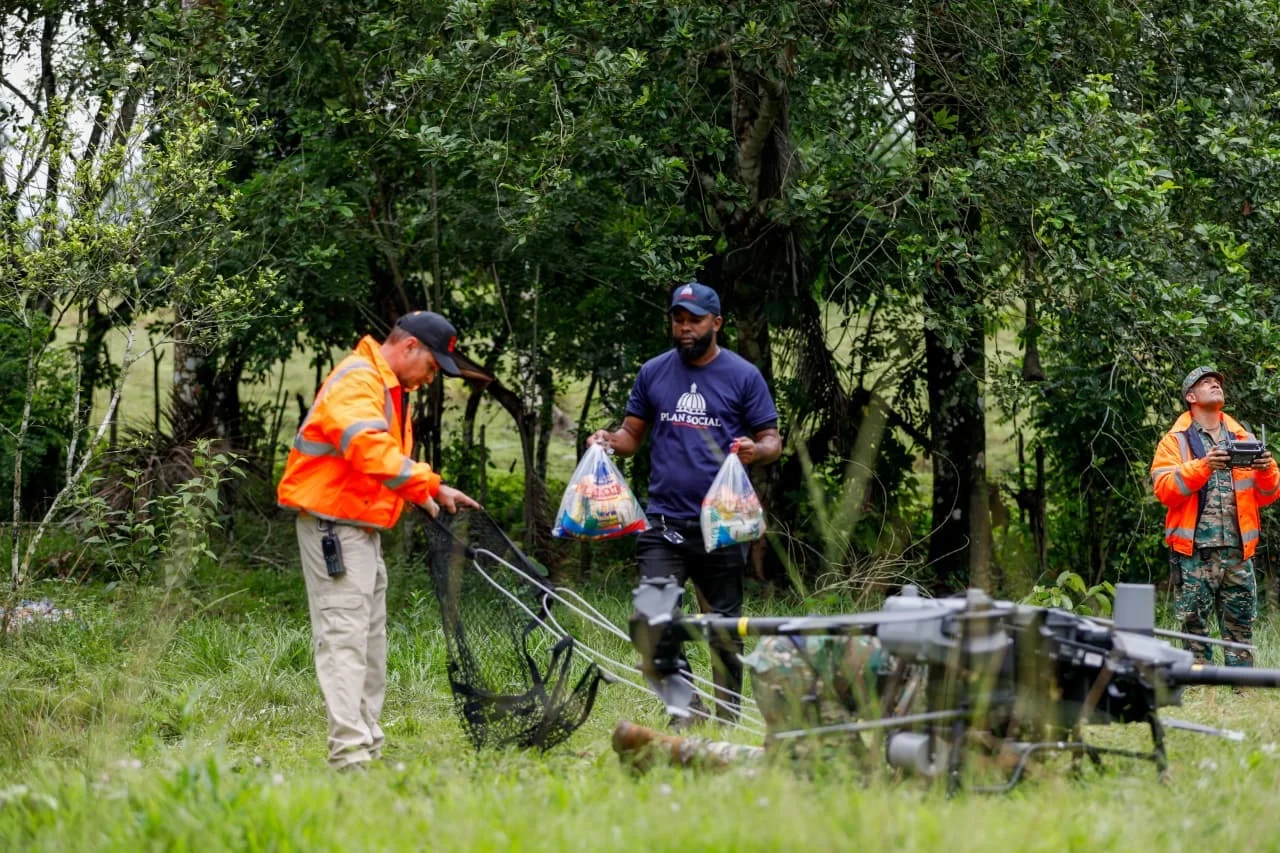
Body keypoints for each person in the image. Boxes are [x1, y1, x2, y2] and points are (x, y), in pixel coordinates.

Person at [277, 310, 485, 770]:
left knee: (369, 643)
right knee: (345, 641)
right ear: (409, 347)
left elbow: (375, 464)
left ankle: (366, 748)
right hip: (335, 530)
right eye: (432, 367)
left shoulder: (382, 383)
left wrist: (429, 495)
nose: (431, 378)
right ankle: (349, 760)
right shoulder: (360, 380)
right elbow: (368, 449)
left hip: (358, 528)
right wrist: (428, 485)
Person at [590, 282, 782, 722]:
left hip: (722, 523)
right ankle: (687, 708)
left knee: (724, 629)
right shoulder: (654, 372)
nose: (684, 328)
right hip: (664, 523)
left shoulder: (742, 375)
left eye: (694, 320)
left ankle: (728, 719)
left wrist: (757, 449)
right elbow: (631, 436)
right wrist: (608, 441)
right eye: (678, 319)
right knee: (649, 619)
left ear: (716, 323)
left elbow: (773, 438)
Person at [1150, 366, 1280, 668]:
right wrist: (1205, 465)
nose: (1215, 384)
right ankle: (1200, 687)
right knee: (1194, 627)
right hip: (1195, 552)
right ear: (1190, 397)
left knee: (1241, 627)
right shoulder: (1175, 442)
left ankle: (1242, 688)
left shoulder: (1243, 437)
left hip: (1238, 551)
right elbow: (1165, 490)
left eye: (1218, 382)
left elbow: (1269, 494)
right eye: (1205, 382)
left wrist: (1267, 468)